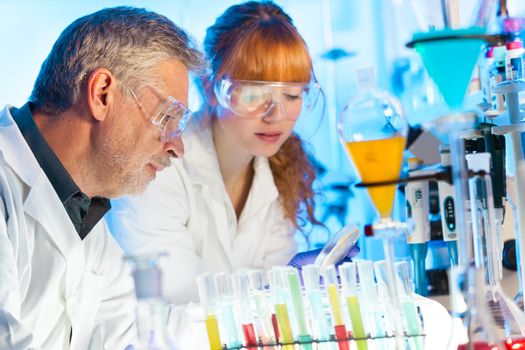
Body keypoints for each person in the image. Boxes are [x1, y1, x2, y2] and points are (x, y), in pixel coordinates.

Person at [0, 6, 204, 349]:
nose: (177, 147)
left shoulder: (81, 208)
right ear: (102, 94)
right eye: (167, 116)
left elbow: (135, 334)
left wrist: (267, 304)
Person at [107, 1, 327, 305]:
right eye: (253, 93)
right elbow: (176, 295)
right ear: (211, 88)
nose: (275, 114)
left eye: (291, 95)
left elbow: (282, 304)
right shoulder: (159, 162)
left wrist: (305, 285)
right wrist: (276, 286)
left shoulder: (278, 173)